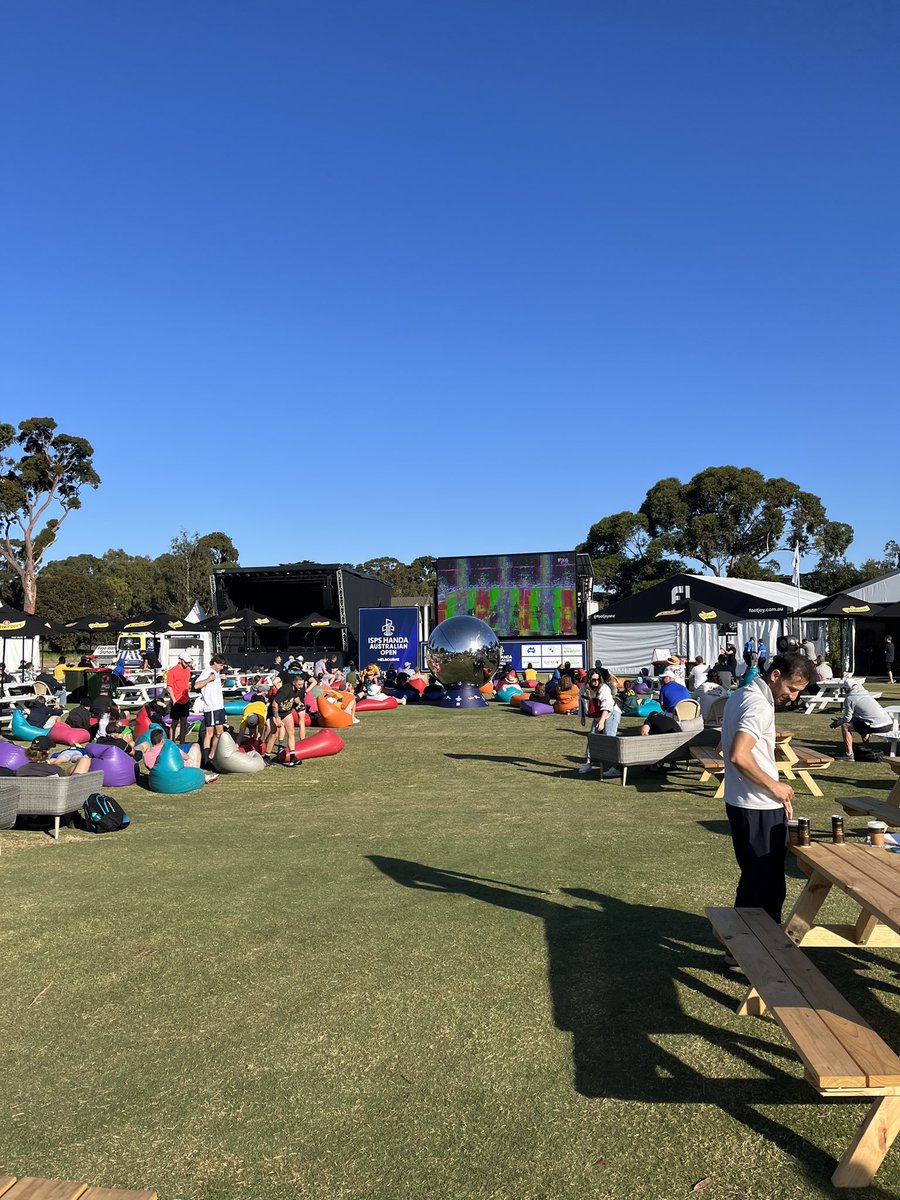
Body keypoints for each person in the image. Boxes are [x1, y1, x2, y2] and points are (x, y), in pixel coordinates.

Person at [721, 653, 813, 965]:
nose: (794, 696)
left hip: (746, 802)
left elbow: (749, 754)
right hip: (756, 806)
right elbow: (739, 755)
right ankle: (763, 955)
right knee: (768, 885)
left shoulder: (743, 694)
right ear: (775, 675)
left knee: (754, 880)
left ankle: (738, 950)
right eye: (792, 687)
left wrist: (775, 790)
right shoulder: (758, 703)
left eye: (800, 690)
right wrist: (773, 787)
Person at [832, 681, 894, 759]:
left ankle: (849, 755)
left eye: (844, 688)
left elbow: (847, 718)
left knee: (845, 726)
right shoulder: (867, 695)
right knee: (859, 722)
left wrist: (837, 723)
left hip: (876, 725)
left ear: (846, 689)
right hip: (888, 723)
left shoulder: (849, 698)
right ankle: (865, 747)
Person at [578, 670, 622, 777]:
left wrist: (602, 721)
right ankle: (589, 763)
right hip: (598, 716)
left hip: (611, 713)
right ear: (588, 679)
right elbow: (581, 701)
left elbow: (607, 706)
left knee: (609, 738)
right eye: (593, 680)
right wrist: (582, 716)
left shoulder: (604, 688)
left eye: (598, 680)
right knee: (592, 736)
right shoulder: (583, 688)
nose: (596, 682)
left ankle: (616, 767)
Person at [194, 654, 228, 768]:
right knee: (209, 733)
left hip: (219, 707)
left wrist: (221, 680)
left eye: (223, 665)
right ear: (214, 663)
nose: (221, 667)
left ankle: (212, 755)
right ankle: (206, 760)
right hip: (211, 707)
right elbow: (197, 685)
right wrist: (209, 679)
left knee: (220, 733)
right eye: (220, 665)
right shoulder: (207, 672)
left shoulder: (217, 673)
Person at [266, 673, 308, 763]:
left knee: (291, 732)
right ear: (294, 683)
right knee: (274, 734)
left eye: (302, 684)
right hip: (275, 712)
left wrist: (299, 703)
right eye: (299, 684)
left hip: (286, 712)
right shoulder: (285, 690)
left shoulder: (299, 689)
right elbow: (274, 704)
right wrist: (277, 718)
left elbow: (296, 697)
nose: (301, 686)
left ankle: (292, 757)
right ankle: (266, 757)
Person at [16, 743, 91, 777]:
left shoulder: (20, 770)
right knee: (85, 760)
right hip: (56, 803)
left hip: (27, 803)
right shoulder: (55, 770)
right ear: (47, 752)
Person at [166, 652, 194, 744]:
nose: (187, 664)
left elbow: (186, 683)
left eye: (188, 662)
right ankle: (171, 742)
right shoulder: (172, 671)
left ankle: (182, 742)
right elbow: (169, 686)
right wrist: (173, 699)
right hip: (176, 701)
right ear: (180, 660)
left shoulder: (188, 670)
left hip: (185, 699)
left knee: (184, 722)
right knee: (174, 722)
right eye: (186, 662)